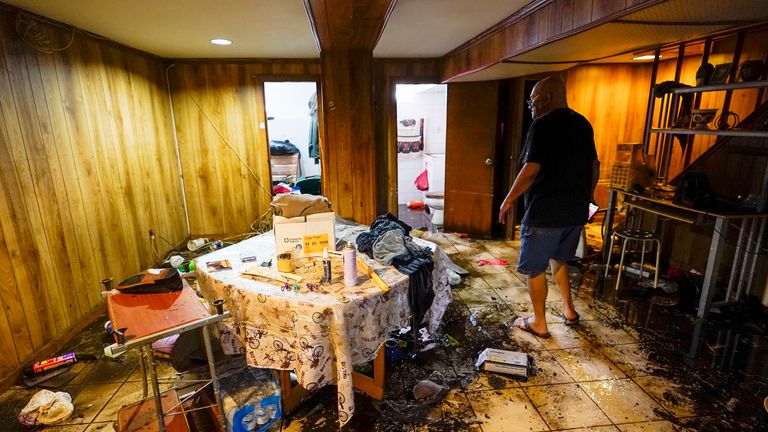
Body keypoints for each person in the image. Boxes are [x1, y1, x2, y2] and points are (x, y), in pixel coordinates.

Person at [498, 76, 599, 339]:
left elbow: (531, 169)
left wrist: (508, 200)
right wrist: (586, 198)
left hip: (545, 212)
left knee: (534, 268)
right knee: (560, 259)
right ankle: (569, 311)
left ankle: (539, 323)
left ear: (546, 98)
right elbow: (594, 167)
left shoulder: (542, 125)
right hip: (575, 212)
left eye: (532, 101)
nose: (531, 107)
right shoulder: (582, 124)